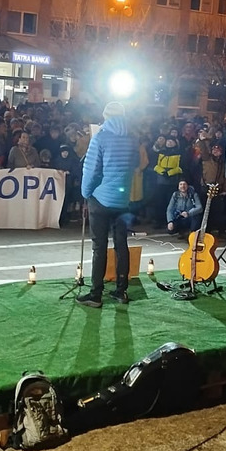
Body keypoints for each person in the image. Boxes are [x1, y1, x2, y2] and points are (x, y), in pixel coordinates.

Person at [78, 102, 139, 308]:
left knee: (99, 246)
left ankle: (96, 293)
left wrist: (86, 193)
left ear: (106, 116)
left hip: (101, 200)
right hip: (122, 201)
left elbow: (91, 170)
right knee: (121, 245)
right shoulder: (132, 138)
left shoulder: (101, 138)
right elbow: (135, 164)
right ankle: (121, 291)